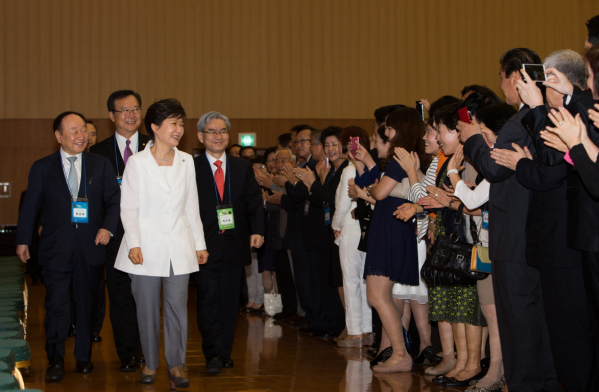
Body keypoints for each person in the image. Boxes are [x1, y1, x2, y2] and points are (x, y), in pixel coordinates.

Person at [458, 47, 561, 391]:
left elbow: (492, 168)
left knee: (520, 316)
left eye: (501, 76)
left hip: (517, 231)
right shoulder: (527, 117)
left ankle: (527, 383)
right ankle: (534, 380)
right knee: (524, 314)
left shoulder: (521, 121)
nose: (500, 84)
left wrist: (473, 139)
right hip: (518, 230)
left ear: (514, 76)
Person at [502, 48, 599, 391]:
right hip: (563, 238)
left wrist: (537, 109)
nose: (539, 87)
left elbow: (548, 165)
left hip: (570, 241)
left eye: (546, 80)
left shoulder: (578, 113)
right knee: (566, 331)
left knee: (572, 335)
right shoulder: (570, 111)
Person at [16, 111, 120, 381]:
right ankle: (55, 359)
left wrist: (107, 227)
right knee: (57, 306)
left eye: (83, 130)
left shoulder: (101, 164)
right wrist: (23, 240)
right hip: (55, 249)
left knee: (87, 306)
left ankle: (84, 357)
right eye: (73, 131)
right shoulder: (42, 167)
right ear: (58, 136)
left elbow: (113, 201)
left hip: (91, 247)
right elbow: (30, 208)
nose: (80, 135)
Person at [114, 98, 207, 388]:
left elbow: (192, 206)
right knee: (146, 309)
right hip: (144, 247)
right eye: (173, 123)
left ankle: (177, 365)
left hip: (179, 246)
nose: (179, 129)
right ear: (155, 127)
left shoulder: (186, 161)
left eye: (181, 123)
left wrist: (199, 244)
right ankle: (150, 364)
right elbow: (128, 208)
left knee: (178, 308)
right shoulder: (138, 163)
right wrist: (134, 244)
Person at [194, 111, 265, 375]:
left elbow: (254, 202)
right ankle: (212, 352)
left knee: (229, 301)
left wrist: (258, 230)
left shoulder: (242, 167)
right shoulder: (191, 167)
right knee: (208, 300)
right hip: (204, 245)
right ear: (201, 136)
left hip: (236, 243)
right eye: (212, 131)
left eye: (222, 131)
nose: (218, 136)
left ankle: (225, 352)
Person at [90, 89, 148, 372]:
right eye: (124, 110)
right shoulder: (98, 152)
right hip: (115, 236)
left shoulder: (155, 146)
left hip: (150, 235)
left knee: (148, 296)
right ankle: (129, 354)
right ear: (111, 116)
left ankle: (148, 348)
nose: (131, 115)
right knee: (121, 295)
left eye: (135, 109)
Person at [363, 107, 423, 373]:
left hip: (391, 227)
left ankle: (401, 353)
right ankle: (399, 352)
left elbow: (380, 191)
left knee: (377, 294)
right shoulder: (401, 156)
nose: (384, 131)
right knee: (379, 294)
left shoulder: (402, 157)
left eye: (388, 127)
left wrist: (373, 189)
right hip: (388, 226)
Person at [332, 127, 373, 348]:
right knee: (365, 280)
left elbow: (342, 204)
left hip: (350, 225)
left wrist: (335, 226)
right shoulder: (372, 167)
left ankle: (356, 331)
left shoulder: (349, 170)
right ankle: (366, 329)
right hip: (367, 227)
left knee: (351, 281)